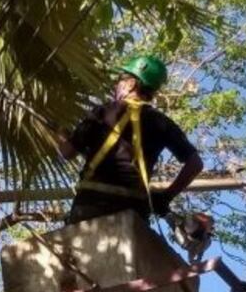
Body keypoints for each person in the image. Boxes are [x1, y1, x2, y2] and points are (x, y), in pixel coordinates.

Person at [57, 54, 204, 224]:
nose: (116, 85)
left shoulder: (102, 112)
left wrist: (60, 136)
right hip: (134, 212)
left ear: (131, 84)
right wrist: (166, 196)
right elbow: (195, 163)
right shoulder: (161, 122)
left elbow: (66, 153)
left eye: (120, 80)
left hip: (90, 206)